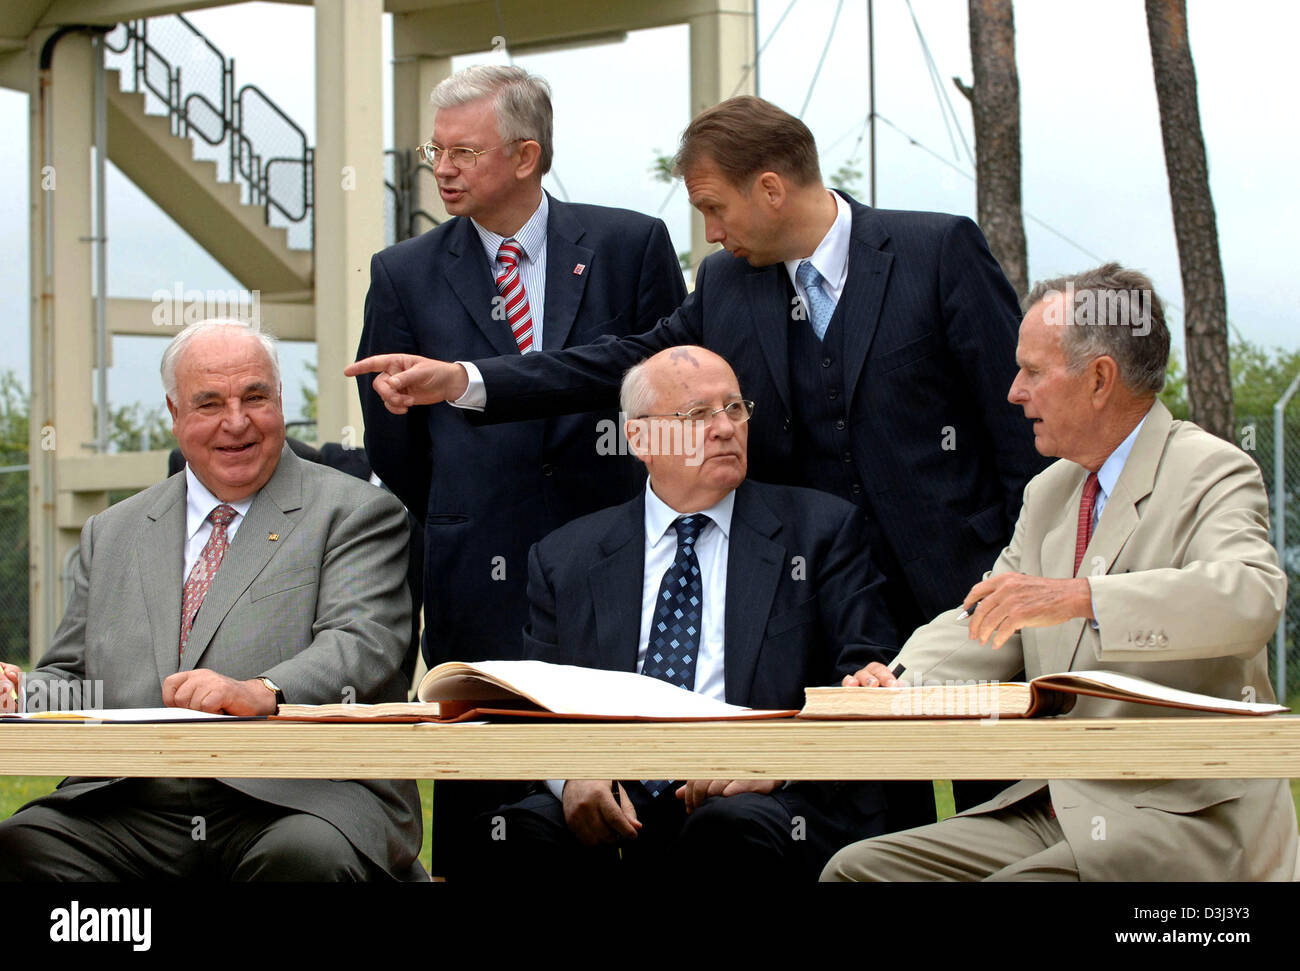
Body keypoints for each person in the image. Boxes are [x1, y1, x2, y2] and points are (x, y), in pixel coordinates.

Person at [349, 94, 1045, 824]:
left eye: (715, 209)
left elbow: (1017, 426)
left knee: (995, 813)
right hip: (816, 603)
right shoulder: (726, 283)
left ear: (770, 189)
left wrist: (1023, 570)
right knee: (863, 818)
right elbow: (620, 364)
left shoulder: (937, 252)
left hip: (965, 596)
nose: (710, 234)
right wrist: (468, 379)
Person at [822, 264, 1297, 881]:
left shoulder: (1212, 470)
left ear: (1100, 378)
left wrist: (1081, 597)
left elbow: (1250, 599)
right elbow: (990, 618)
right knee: (858, 872)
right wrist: (897, 683)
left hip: (1182, 817)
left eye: (1033, 372)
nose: (1014, 391)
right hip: (1057, 804)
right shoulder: (1051, 491)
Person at [351, 64, 686, 877]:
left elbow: (659, 371)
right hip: (477, 570)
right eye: (437, 151)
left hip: (621, 560)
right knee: (489, 805)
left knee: (637, 783)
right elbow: (396, 448)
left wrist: (470, 381)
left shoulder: (628, 245)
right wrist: (462, 516)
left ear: (527, 155)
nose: (444, 168)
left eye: (464, 151)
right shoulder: (403, 273)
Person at [0, 319, 422, 881]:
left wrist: (262, 691)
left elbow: (362, 645)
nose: (236, 422)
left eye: (255, 397)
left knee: (305, 857)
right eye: (209, 404)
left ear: (279, 401)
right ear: (174, 416)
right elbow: (75, 678)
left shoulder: (355, 512)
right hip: (135, 803)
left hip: (300, 796)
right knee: (23, 846)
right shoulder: (113, 531)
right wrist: (20, 692)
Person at [471, 346, 898, 881]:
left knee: (729, 830)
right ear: (640, 438)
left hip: (759, 795)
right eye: (698, 415)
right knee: (512, 837)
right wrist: (570, 775)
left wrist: (776, 763)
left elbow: (866, 676)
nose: (725, 429)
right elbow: (539, 708)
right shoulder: (565, 558)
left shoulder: (820, 533)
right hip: (617, 791)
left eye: (736, 409)